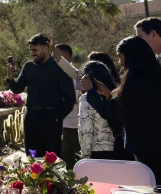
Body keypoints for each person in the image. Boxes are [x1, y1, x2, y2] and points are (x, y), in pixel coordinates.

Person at [83, 36, 161, 183]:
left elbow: (109, 111)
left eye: (120, 57)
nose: (119, 62)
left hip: (143, 146)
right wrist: (108, 93)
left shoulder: (133, 81)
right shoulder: (154, 76)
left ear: (129, 56)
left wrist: (91, 92)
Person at [7, 33, 76, 159]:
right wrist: (10, 78)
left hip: (51, 119)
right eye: (30, 50)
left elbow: (70, 98)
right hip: (31, 118)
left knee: (52, 159)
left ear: (45, 48)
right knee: (32, 158)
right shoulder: (28, 67)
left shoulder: (59, 68)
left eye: (35, 50)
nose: (32, 53)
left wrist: (58, 117)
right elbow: (17, 88)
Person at [78, 61, 130, 160]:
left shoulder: (87, 98)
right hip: (120, 148)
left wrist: (85, 156)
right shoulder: (116, 95)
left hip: (98, 152)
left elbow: (85, 130)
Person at [50, 40, 81, 169]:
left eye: (55, 55)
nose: (53, 58)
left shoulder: (76, 76)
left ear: (65, 57)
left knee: (68, 156)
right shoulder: (59, 75)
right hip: (63, 123)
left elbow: (75, 98)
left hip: (72, 124)